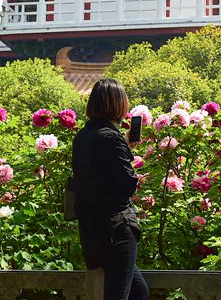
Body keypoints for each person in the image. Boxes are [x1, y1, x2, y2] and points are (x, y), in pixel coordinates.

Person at [72, 78, 148, 300]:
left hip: (92, 228)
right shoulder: (110, 138)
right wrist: (137, 178)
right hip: (117, 227)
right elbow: (126, 185)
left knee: (138, 291)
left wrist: (124, 147)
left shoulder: (83, 136)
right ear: (116, 104)